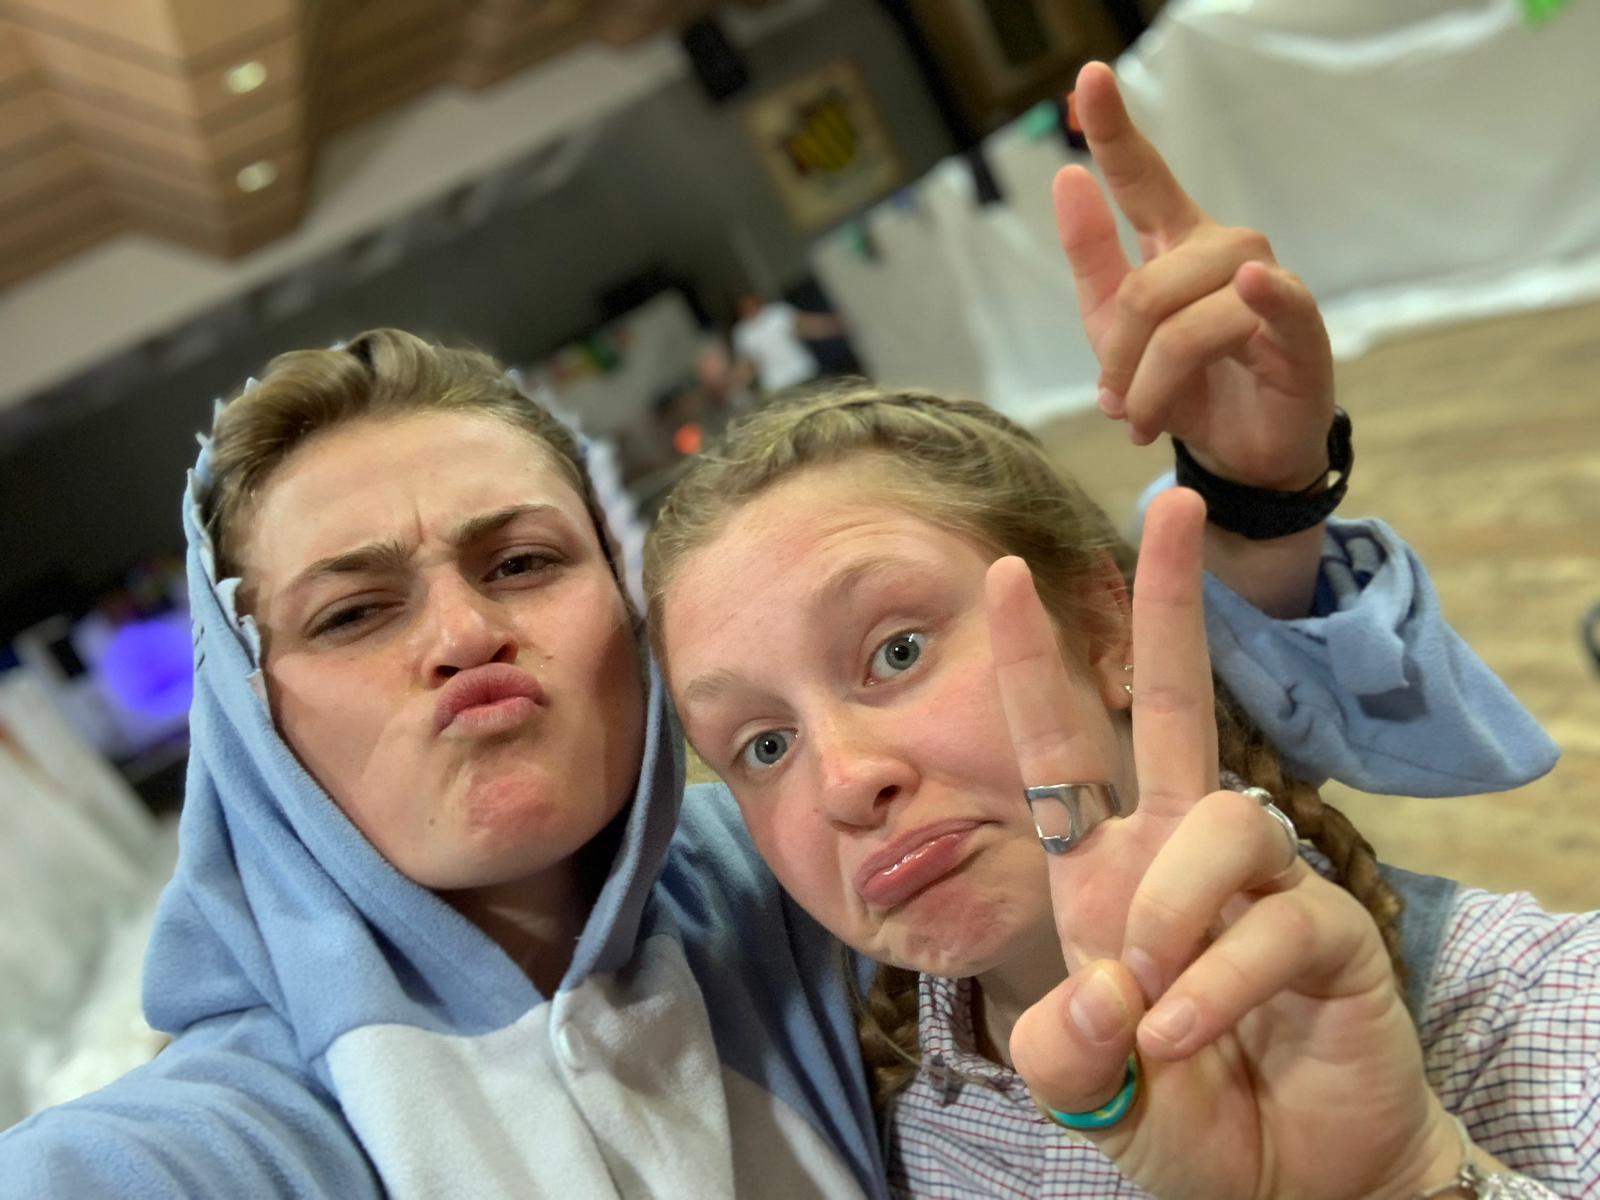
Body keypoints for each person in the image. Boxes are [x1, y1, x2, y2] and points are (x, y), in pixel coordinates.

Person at [0, 62, 1560, 1200]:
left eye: (523, 560)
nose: (463, 631)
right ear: (252, 717)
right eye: (352, 609)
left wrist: (1253, 507)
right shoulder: (221, 1142)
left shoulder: (788, 895)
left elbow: (1101, 735)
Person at [642, 67, 1590, 1198]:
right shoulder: (885, 1125)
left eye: (896, 652)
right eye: (763, 746)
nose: (845, 782)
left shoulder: (1523, 1018)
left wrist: (1401, 1182)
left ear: (1106, 624)